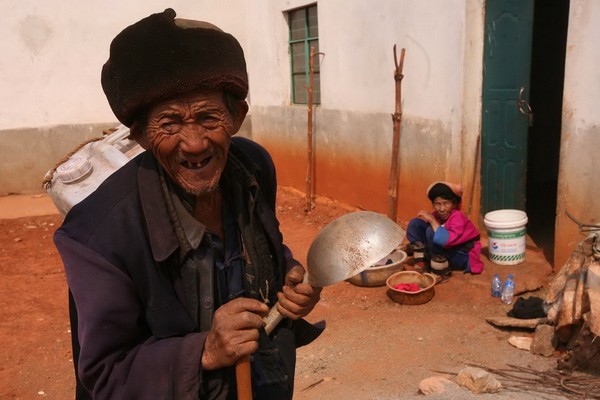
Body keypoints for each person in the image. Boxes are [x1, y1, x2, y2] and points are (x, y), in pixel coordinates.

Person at [53, 9, 322, 399]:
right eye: (170, 123)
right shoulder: (96, 234)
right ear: (142, 136)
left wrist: (290, 281)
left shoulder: (252, 168)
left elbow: (266, 252)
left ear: (237, 116)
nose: (194, 143)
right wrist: (205, 351)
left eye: (208, 117)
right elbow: (105, 373)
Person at [406, 181, 483, 274]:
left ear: (454, 204)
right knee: (415, 224)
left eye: (446, 203)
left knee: (432, 231)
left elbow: (443, 240)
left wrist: (432, 220)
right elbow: (424, 232)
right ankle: (422, 261)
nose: (442, 209)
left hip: (461, 256)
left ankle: (440, 270)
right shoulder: (437, 215)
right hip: (445, 252)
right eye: (437, 204)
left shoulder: (458, 216)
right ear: (433, 205)